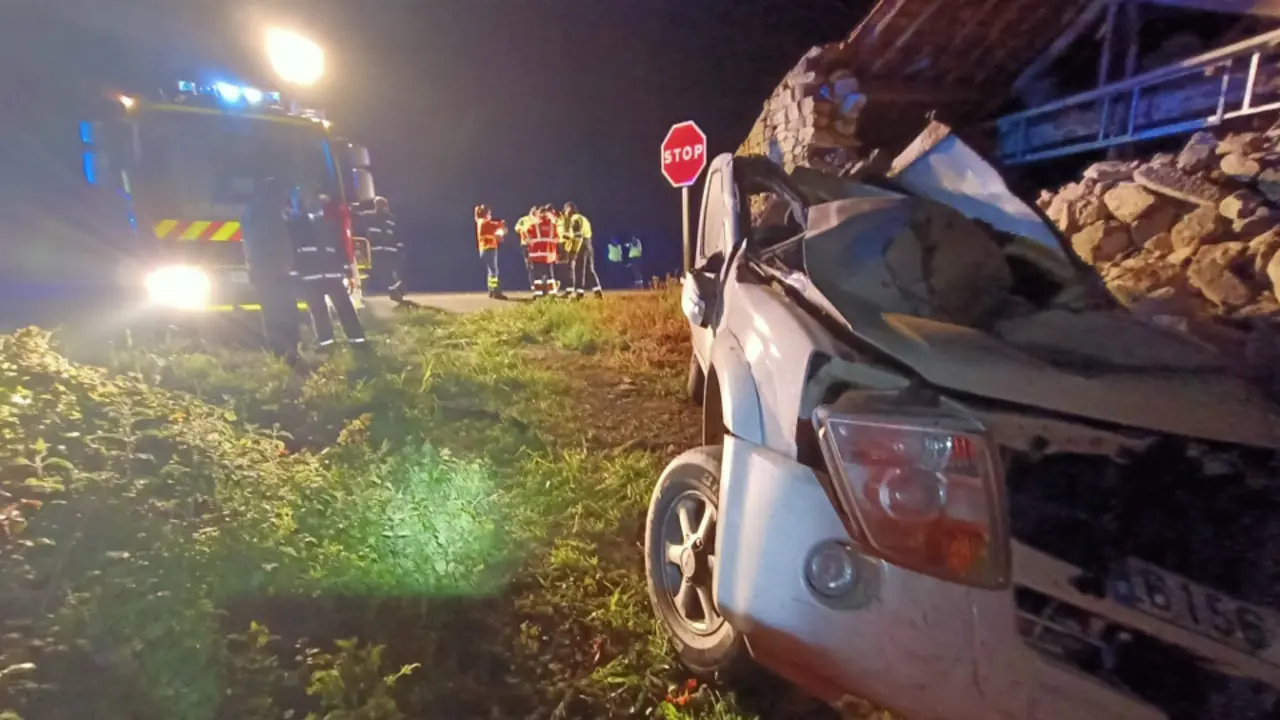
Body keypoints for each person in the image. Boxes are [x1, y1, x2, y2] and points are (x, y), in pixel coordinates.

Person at [285, 185, 368, 350]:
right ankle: (343, 340)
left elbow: (338, 246)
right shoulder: (325, 223)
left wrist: (345, 268)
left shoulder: (298, 224)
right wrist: (344, 268)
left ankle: (341, 341)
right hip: (324, 274)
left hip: (318, 274)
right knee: (331, 308)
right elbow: (339, 246)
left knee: (329, 308)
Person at [240, 175, 301, 365]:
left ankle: (287, 350)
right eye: (284, 193)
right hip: (272, 270)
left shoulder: (256, 212)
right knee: (280, 311)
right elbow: (271, 242)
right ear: (275, 193)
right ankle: (285, 352)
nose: (286, 198)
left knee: (278, 311)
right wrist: (284, 263)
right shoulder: (267, 214)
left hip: (265, 270)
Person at [358, 196, 404, 301]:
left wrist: (398, 248)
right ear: (376, 205)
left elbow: (396, 234)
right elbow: (360, 224)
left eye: (383, 205)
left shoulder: (391, 219)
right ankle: (364, 291)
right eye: (380, 205)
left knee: (389, 272)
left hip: (388, 251)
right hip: (374, 251)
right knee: (370, 272)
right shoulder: (369, 216)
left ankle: (394, 291)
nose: (382, 207)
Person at [557, 202, 601, 299]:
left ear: (569, 209)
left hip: (581, 245)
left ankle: (579, 293)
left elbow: (577, 236)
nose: (564, 212)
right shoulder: (583, 218)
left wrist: (574, 251)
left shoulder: (574, 219)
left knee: (579, 269)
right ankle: (597, 291)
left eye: (565, 209)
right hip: (588, 243)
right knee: (590, 269)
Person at [474, 204, 508, 299]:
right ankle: (495, 291)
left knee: (491, 271)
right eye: (489, 213)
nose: (490, 215)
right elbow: (495, 226)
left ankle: (491, 290)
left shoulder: (481, 222)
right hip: (489, 249)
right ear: (485, 214)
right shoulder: (484, 222)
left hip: (486, 249)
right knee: (494, 271)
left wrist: (498, 236)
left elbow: (492, 234)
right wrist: (502, 224)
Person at [526, 205, 559, 297]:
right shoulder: (553, 226)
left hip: (537, 255)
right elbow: (557, 239)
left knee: (537, 275)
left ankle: (538, 294)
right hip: (549, 255)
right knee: (550, 274)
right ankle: (552, 294)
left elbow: (527, 240)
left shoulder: (533, 226)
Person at [514, 206, 539, 291]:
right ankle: (533, 285)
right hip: (526, 245)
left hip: (537, 246)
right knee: (530, 266)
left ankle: (539, 285)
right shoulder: (524, 220)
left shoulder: (538, 220)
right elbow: (518, 228)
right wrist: (525, 236)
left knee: (538, 266)